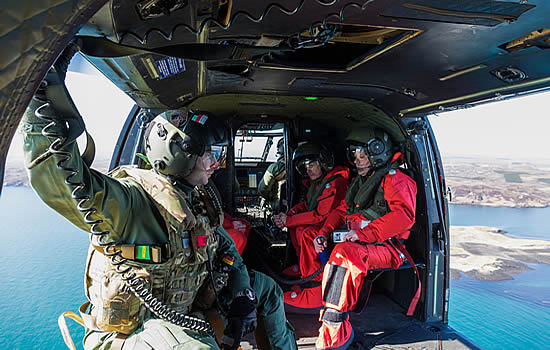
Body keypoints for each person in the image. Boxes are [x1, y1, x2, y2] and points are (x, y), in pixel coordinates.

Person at [22, 62, 296, 350]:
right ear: (182, 154)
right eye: (211, 155)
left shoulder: (198, 200)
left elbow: (226, 249)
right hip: (131, 331)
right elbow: (57, 179)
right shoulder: (133, 199)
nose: (217, 164)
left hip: (184, 309)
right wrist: (40, 95)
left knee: (266, 289)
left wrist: (241, 292)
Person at [313, 128, 417, 350]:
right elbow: (342, 209)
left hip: (387, 248)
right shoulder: (362, 181)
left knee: (345, 254)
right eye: (355, 157)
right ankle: (323, 301)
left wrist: (362, 235)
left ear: (378, 153)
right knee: (331, 245)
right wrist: (323, 232)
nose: (357, 162)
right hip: (361, 242)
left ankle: (335, 332)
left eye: (362, 157)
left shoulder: (396, 180)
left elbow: (404, 216)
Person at [272, 142, 349, 312]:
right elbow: (308, 205)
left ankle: (316, 280)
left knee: (307, 233)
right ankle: (305, 268)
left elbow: (320, 215)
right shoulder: (318, 184)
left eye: (311, 165)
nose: (308, 170)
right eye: (305, 167)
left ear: (324, 162)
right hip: (323, 224)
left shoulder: (335, 183)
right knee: (298, 228)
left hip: (333, 228)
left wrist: (289, 220)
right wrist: (290, 214)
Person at [258, 138, 286, 213]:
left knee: (265, 204)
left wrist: (268, 196)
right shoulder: (301, 165)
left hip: (280, 205)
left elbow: (262, 190)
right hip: (297, 204)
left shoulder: (276, 167)